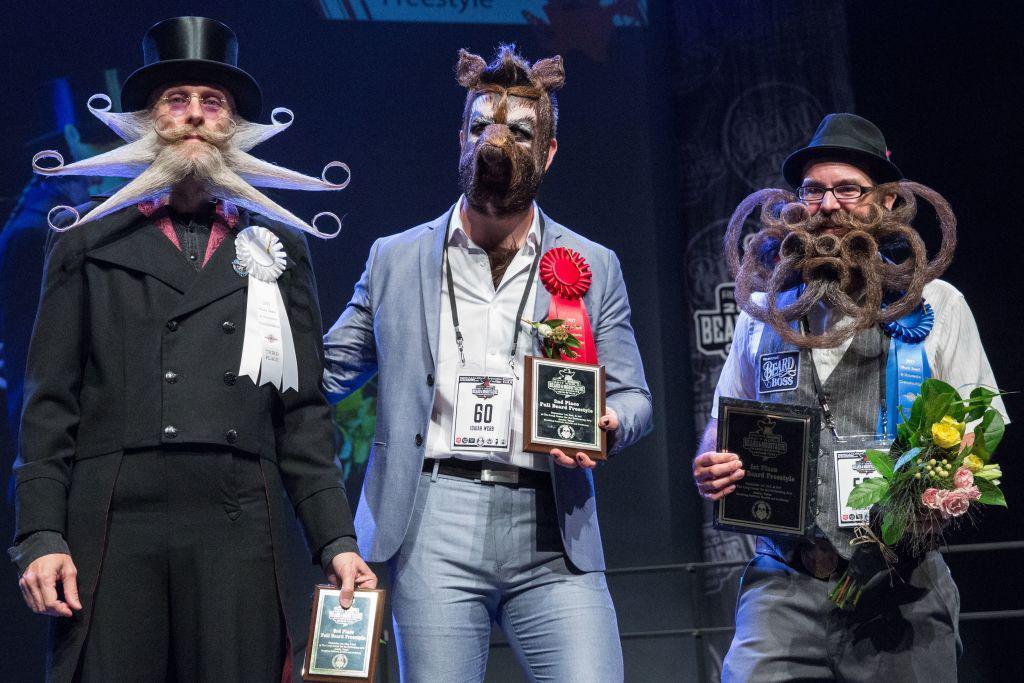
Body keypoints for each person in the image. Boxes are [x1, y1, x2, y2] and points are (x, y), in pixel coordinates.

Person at [8, 17, 375, 681]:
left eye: (214, 103)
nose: (196, 116)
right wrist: (40, 535)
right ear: (150, 121)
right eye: (178, 100)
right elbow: (48, 405)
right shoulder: (85, 244)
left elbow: (303, 414)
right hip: (115, 518)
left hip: (238, 518)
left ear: (234, 127)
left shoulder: (279, 251)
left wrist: (336, 539)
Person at [323, 45, 652, 681]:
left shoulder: (592, 263)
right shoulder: (394, 258)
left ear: (549, 154)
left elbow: (636, 397)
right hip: (432, 517)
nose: (493, 143)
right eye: (478, 128)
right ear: (460, 139)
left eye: (519, 133)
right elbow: (326, 372)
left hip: (554, 522)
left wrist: (607, 422)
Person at [692, 113, 1008, 681]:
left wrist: (949, 478)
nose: (829, 204)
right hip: (786, 585)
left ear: (887, 204)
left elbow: (982, 427)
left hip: (903, 590)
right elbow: (724, 418)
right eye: (814, 190)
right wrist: (711, 460)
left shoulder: (938, 305)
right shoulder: (764, 312)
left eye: (848, 190)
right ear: (795, 205)